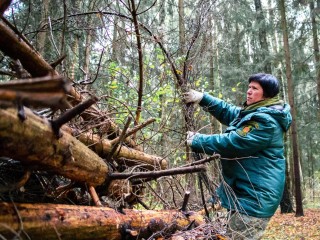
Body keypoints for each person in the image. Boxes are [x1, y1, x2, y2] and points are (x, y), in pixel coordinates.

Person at [183, 73, 292, 240]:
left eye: (255, 88)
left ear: (267, 94)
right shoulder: (255, 113)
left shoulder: (266, 121)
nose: (248, 91)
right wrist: (203, 98)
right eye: (249, 87)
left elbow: (234, 143)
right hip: (245, 194)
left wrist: (198, 140)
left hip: (255, 198)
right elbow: (229, 112)